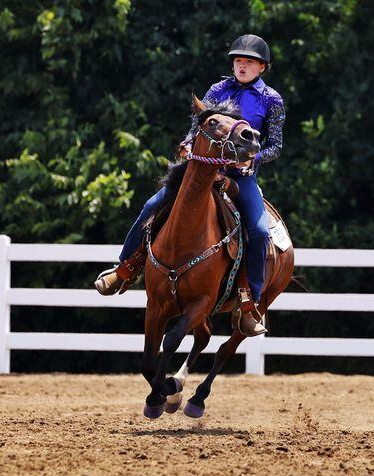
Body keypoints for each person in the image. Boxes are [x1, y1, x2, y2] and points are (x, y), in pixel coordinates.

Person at [94, 34, 285, 337]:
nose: (242, 66)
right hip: (202, 170)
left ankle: (250, 303)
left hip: (239, 177)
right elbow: (196, 129)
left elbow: (276, 146)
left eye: (249, 62)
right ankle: (125, 269)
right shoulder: (217, 90)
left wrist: (253, 160)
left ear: (262, 67)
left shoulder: (272, 100)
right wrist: (185, 145)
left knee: (260, 231)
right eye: (238, 61)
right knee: (152, 205)